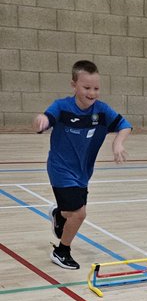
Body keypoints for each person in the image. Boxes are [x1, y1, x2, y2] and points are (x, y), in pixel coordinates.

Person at [32, 59, 132, 270]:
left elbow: (125, 125)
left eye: (96, 88)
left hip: (83, 172)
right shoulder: (62, 107)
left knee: (70, 213)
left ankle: (59, 215)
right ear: (74, 85)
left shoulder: (102, 111)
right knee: (79, 213)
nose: (92, 93)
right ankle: (61, 252)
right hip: (60, 168)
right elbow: (47, 119)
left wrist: (118, 142)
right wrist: (41, 120)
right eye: (87, 87)